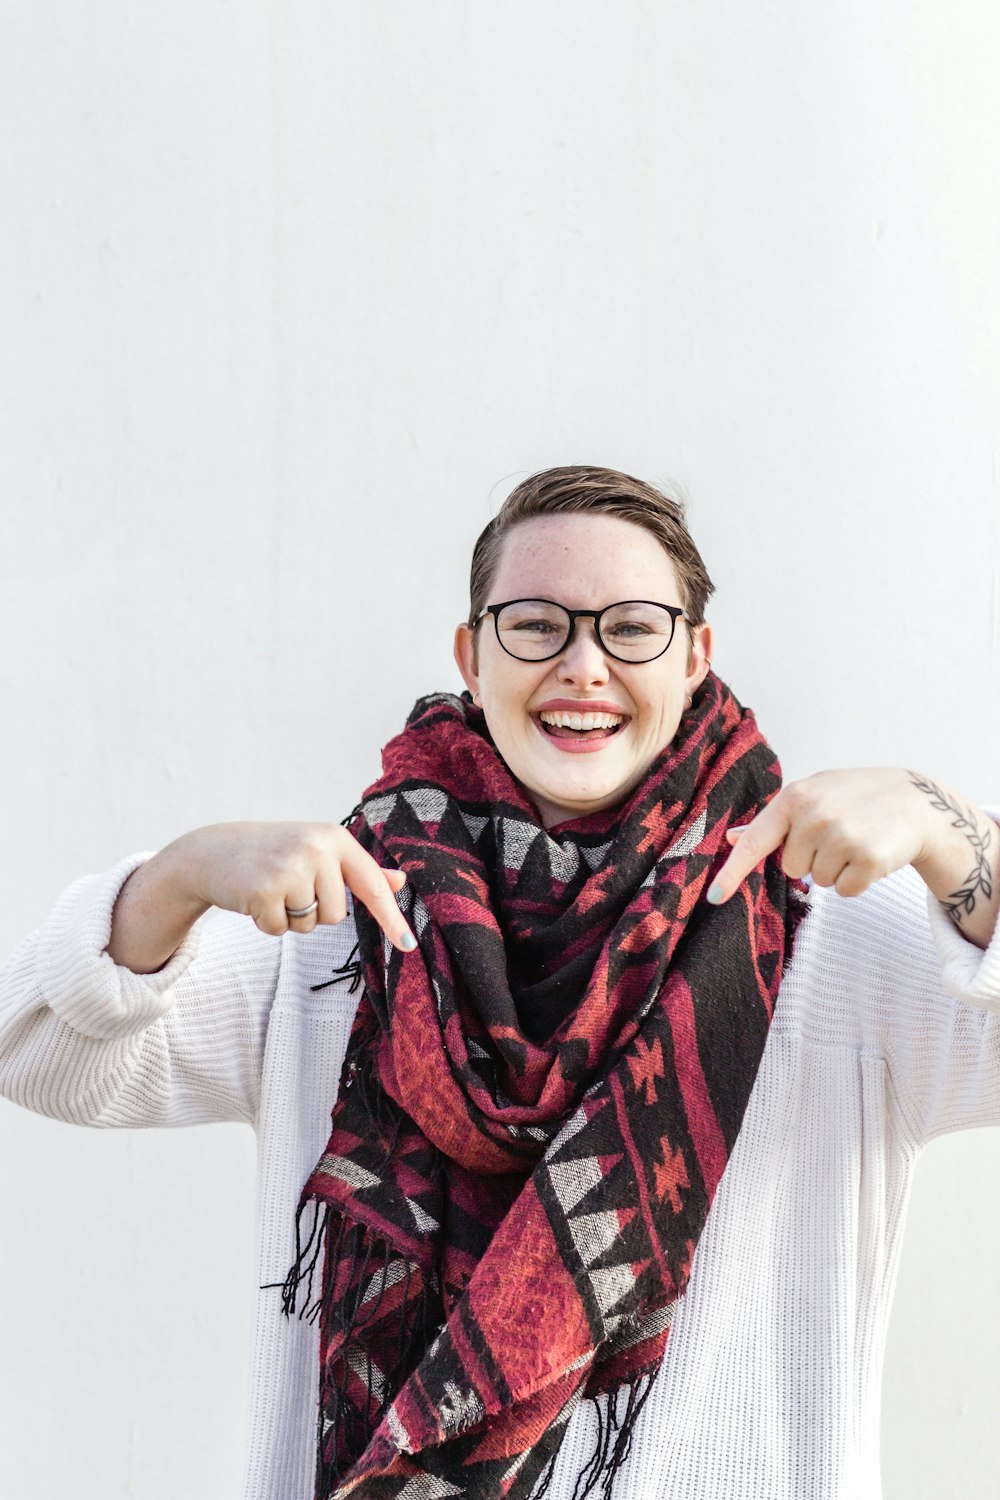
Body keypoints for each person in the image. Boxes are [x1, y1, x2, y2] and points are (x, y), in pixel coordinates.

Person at [2, 464, 999, 1500]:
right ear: (472, 655)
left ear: (696, 656)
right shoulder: (346, 915)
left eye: (631, 627)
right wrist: (178, 877)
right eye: (535, 624)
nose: (581, 665)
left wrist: (947, 829)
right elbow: (41, 1056)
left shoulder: (825, 922)